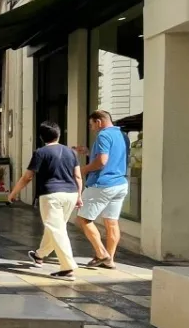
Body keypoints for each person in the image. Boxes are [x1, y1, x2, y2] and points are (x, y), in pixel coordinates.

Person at [7, 121, 81, 279]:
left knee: (57, 229)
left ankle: (67, 268)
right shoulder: (71, 152)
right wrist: (79, 195)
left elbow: (27, 177)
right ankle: (39, 255)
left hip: (51, 195)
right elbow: (78, 176)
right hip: (71, 194)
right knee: (55, 227)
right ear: (59, 134)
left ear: (41, 137)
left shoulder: (40, 153)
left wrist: (13, 193)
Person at [76, 110, 128, 269]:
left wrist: (82, 170)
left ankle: (101, 253)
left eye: (92, 125)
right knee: (112, 222)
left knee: (83, 219)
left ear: (99, 122)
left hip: (102, 184)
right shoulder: (123, 135)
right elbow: (113, 157)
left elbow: (102, 162)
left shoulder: (103, 135)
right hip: (120, 183)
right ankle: (110, 259)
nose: (92, 128)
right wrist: (88, 153)